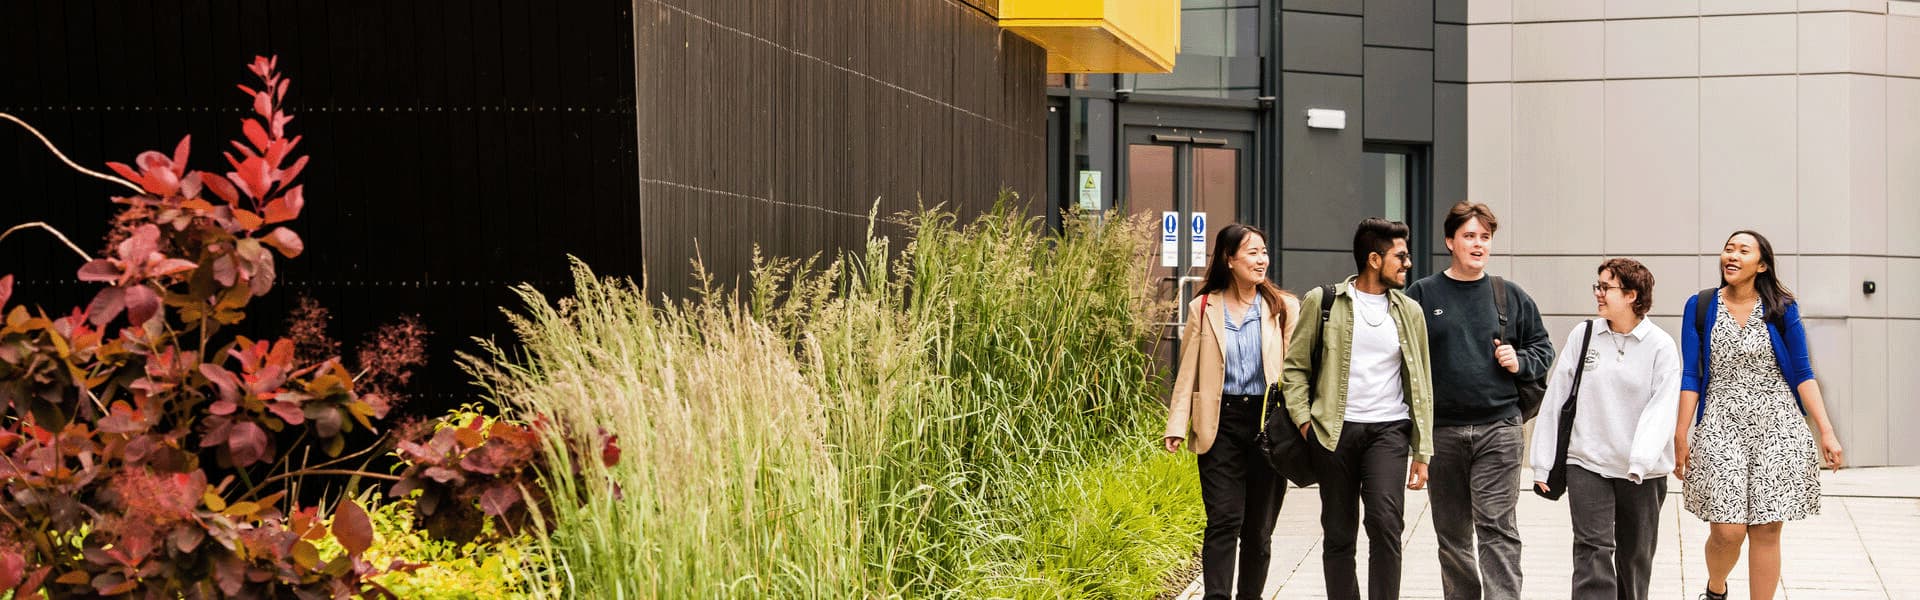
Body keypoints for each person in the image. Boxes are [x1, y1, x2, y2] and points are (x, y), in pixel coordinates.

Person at [1675, 230, 1845, 600]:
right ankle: (1715, 588)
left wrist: (1826, 432)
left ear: (1762, 264)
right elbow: (1691, 373)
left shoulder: (1782, 308)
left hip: (1778, 425)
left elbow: (1803, 373)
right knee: (1728, 531)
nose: (1731, 256)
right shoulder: (1701, 306)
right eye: (1728, 249)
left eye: (1743, 250)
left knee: (1767, 530)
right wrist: (1681, 433)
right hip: (1721, 422)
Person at [1404, 202, 1553, 600]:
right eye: (1469, 236)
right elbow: (1404, 357)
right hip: (1443, 433)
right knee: (1451, 536)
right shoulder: (1422, 293)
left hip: (1499, 430)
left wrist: (1520, 361)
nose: (1478, 244)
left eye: (1484, 237)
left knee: (1497, 529)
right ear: (1450, 241)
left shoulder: (1508, 295)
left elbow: (1543, 348)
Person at [1282, 217, 1433, 600]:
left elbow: (1423, 383)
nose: (1408, 263)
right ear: (1373, 259)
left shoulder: (1410, 311)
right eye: (1400, 256)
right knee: (1338, 533)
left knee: (1386, 525)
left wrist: (1423, 449)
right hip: (1334, 432)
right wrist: (1304, 424)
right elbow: (1295, 368)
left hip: (1389, 431)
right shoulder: (1324, 301)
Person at [1528, 258, 1680, 600]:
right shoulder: (1584, 336)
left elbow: (1662, 409)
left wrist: (1639, 461)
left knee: (1635, 557)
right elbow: (1557, 399)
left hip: (1643, 472)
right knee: (1592, 550)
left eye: (1605, 287)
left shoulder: (1660, 345)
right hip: (1587, 462)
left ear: (1631, 294)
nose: (1598, 293)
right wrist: (1542, 461)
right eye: (1597, 285)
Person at [1164, 223, 1301, 600]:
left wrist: (1304, 424)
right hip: (1219, 422)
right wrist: (1177, 423)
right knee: (1223, 519)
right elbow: (1187, 370)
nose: (1261, 260)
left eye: (1263, 252)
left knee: (1258, 530)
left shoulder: (1284, 307)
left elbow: (1297, 372)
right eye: (1252, 253)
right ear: (1230, 258)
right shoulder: (1204, 306)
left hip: (1267, 424)